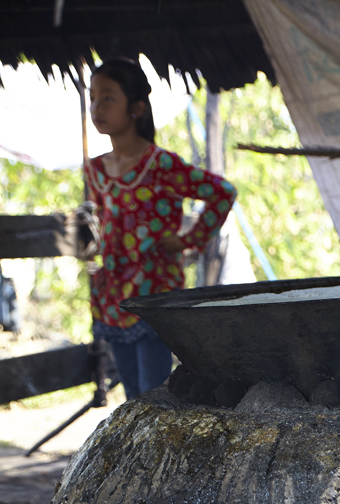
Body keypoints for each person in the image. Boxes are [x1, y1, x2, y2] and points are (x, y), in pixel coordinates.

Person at [84, 57, 237, 399]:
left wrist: (188, 240)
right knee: (133, 400)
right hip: (111, 299)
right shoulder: (94, 169)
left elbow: (222, 193)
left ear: (136, 107)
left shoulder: (161, 165)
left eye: (108, 97)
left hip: (155, 296)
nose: (96, 107)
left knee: (155, 396)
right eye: (92, 97)